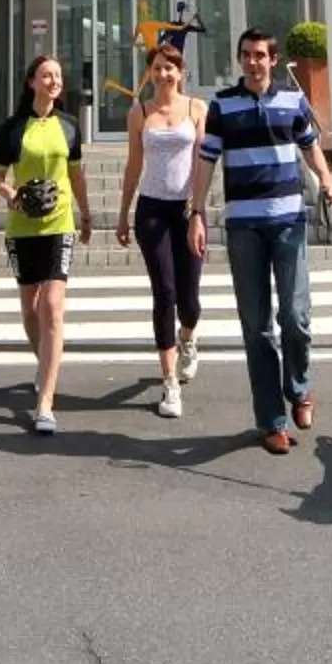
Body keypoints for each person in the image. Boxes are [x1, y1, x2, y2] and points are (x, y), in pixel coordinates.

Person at [190, 26, 332, 453]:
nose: (253, 62)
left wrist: (327, 180)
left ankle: (299, 388)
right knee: (256, 328)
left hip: (289, 220)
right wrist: (196, 212)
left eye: (260, 54)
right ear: (240, 60)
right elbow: (206, 160)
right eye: (246, 55)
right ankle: (272, 420)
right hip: (243, 226)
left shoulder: (293, 102)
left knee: (295, 317)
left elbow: (310, 147)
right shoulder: (223, 105)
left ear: (273, 60)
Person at [0, 53, 90, 434]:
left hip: (59, 224)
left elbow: (76, 175)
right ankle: (45, 364)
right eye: (46, 75)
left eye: (58, 76)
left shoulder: (69, 126)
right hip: (21, 228)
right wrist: (13, 196)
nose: (54, 81)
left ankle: (44, 401)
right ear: (31, 82)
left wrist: (87, 213)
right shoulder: (13, 128)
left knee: (52, 307)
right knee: (31, 311)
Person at [114, 40, 206, 418]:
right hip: (151, 211)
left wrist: (199, 210)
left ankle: (189, 338)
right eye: (157, 67)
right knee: (164, 292)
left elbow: (204, 163)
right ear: (149, 73)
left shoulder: (198, 109)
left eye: (170, 67)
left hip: (187, 212)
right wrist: (122, 212)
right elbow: (134, 164)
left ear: (181, 72)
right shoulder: (139, 111)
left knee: (190, 300)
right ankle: (169, 383)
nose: (163, 74)